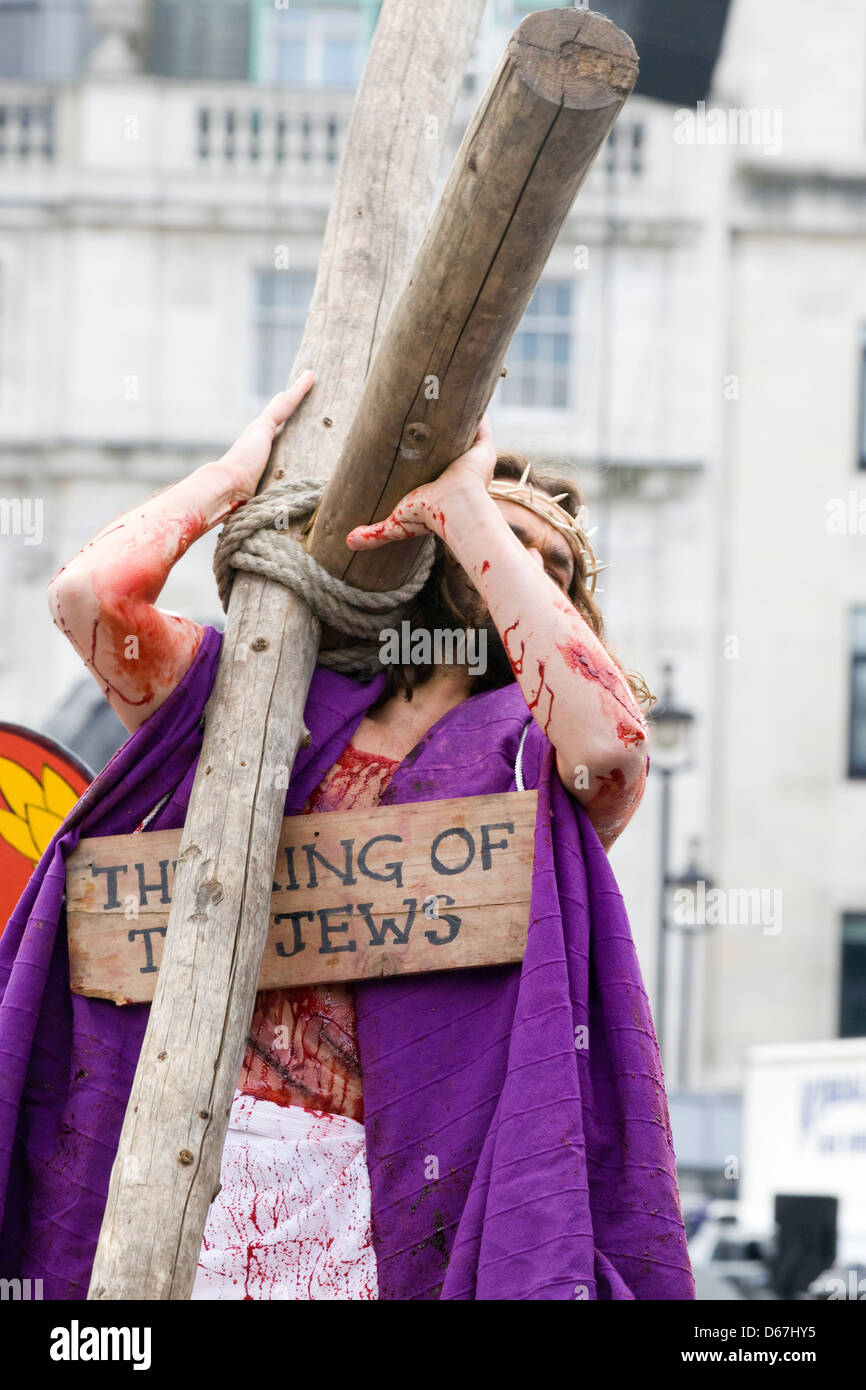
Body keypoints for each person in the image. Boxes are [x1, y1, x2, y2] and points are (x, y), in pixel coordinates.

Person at [17, 369, 693, 1300]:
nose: (525, 568)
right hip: (179, 1158)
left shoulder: (536, 768)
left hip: (395, 1198)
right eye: (508, 540)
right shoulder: (258, 688)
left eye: (555, 567)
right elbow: (93, 597)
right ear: (419, 551)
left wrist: (468, 506)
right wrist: (230, 479)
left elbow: (612, 743)